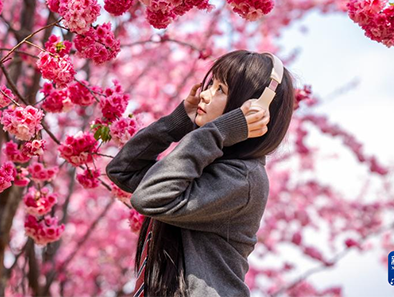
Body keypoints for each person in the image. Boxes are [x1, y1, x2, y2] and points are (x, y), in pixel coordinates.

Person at [106, 50, 295, 297]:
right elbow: (123, 170)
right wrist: (178, 122)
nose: (204, 95)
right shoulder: (205, 163)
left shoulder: (243, 179)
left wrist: (220, 130)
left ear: (254, 108)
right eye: (210, 84)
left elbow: (148, 198)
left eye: (220, 90)